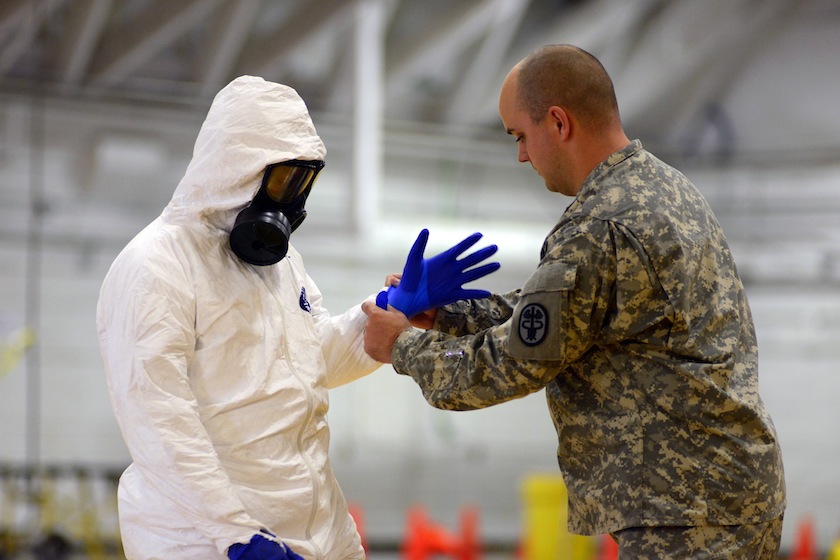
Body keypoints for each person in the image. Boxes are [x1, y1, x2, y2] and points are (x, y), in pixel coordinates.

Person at [362, 44, 786, 559]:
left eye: (521, 135)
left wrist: (401, 346)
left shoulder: (600, 226)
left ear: (558, 123)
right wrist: (450, 317)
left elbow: (511, 364)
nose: (521, 155)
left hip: (684, 516)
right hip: (720, 497)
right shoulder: (664, 188)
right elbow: (562, 312)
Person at [96, 76, 498, 560]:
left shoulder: (280, 266)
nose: (291, 200)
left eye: (304, 182)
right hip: (204, 541)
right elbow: (159, 423)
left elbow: (308, 361)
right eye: (284, 179)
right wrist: (237, 537)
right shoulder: (156, 265)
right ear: (235, 167)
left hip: (314, 531)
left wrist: (390, 309)